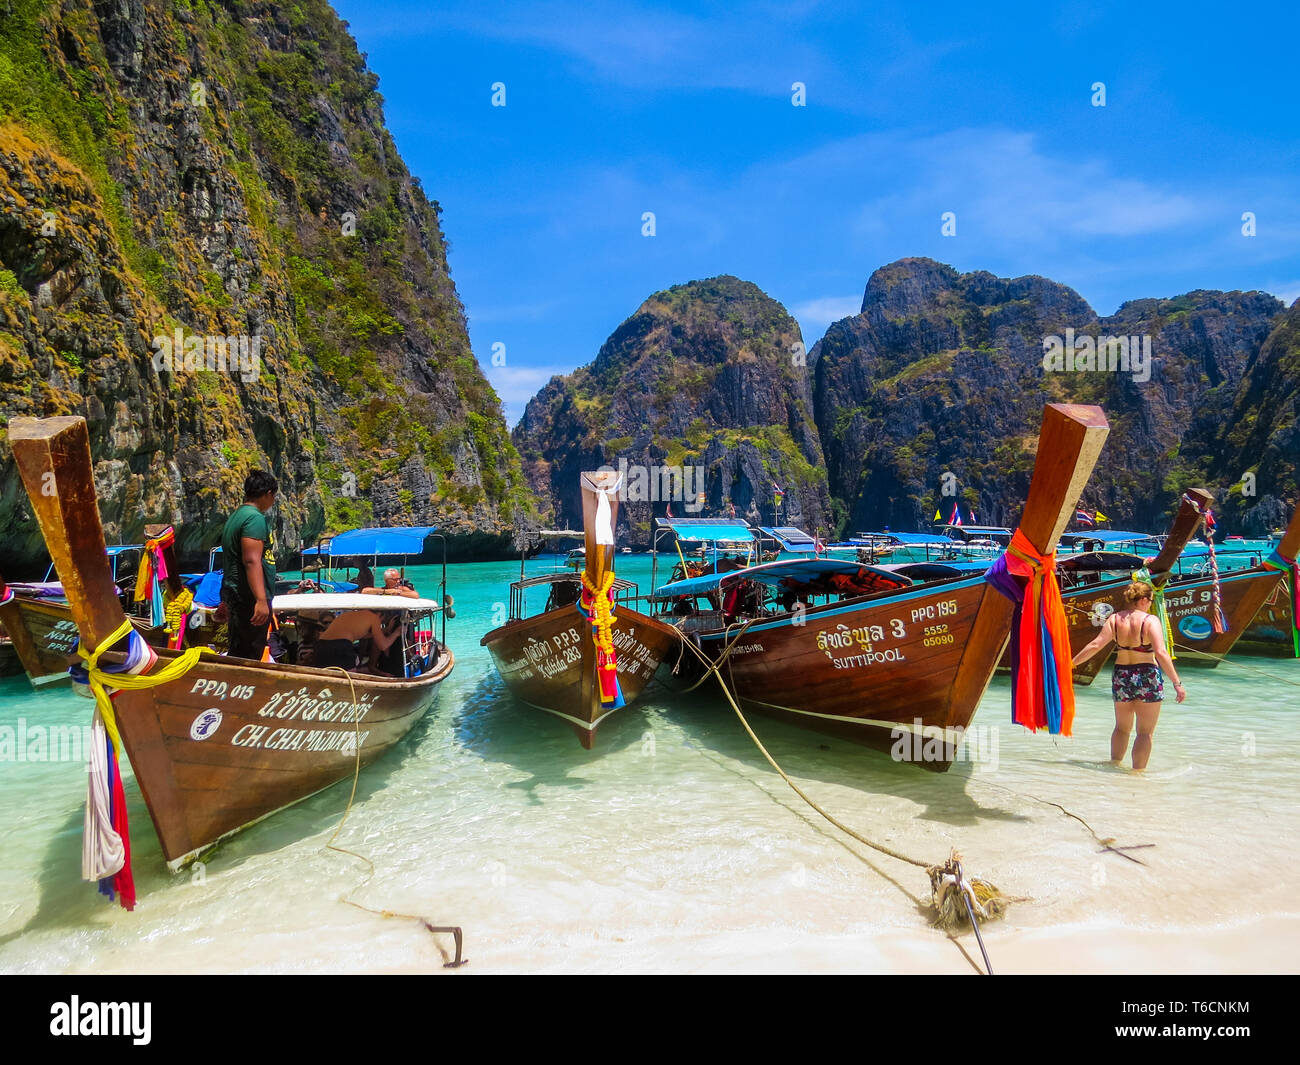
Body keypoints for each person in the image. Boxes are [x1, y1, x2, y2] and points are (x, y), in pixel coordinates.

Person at [1072, 579, 1187, 771]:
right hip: (1147, 675)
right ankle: (1137, 775)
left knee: (1121, 728)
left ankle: (1114, 765)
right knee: (1145, 733)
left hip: (1122, 675)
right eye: (1150, 600)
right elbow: (1161, 652)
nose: (1151, 604)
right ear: (1143, 600)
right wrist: (1177, 683)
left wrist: (1070, 664)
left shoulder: (1115, 619)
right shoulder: (1150, 621)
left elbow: (1095, 645)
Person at [221, 470, 279, 660]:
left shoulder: (237, 515)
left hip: (238, 595)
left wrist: (225, 600)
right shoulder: (254, 518)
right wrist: (261, 600)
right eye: (274, 496)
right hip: (249, 598)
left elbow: (231, 561)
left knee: (239, 651)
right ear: (268, 493)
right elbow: (251, 560)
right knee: (249, 655)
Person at [312, 609, 401, 672]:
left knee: (324, 675)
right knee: (349, 677)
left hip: (321, 645)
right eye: (381, 622)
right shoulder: (374, 617)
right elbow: (383, 645)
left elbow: (362, 634)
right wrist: (396, 633)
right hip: (340, 646)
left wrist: (385, 630)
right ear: (380, 614)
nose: (380, 623)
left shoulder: (352, 615)